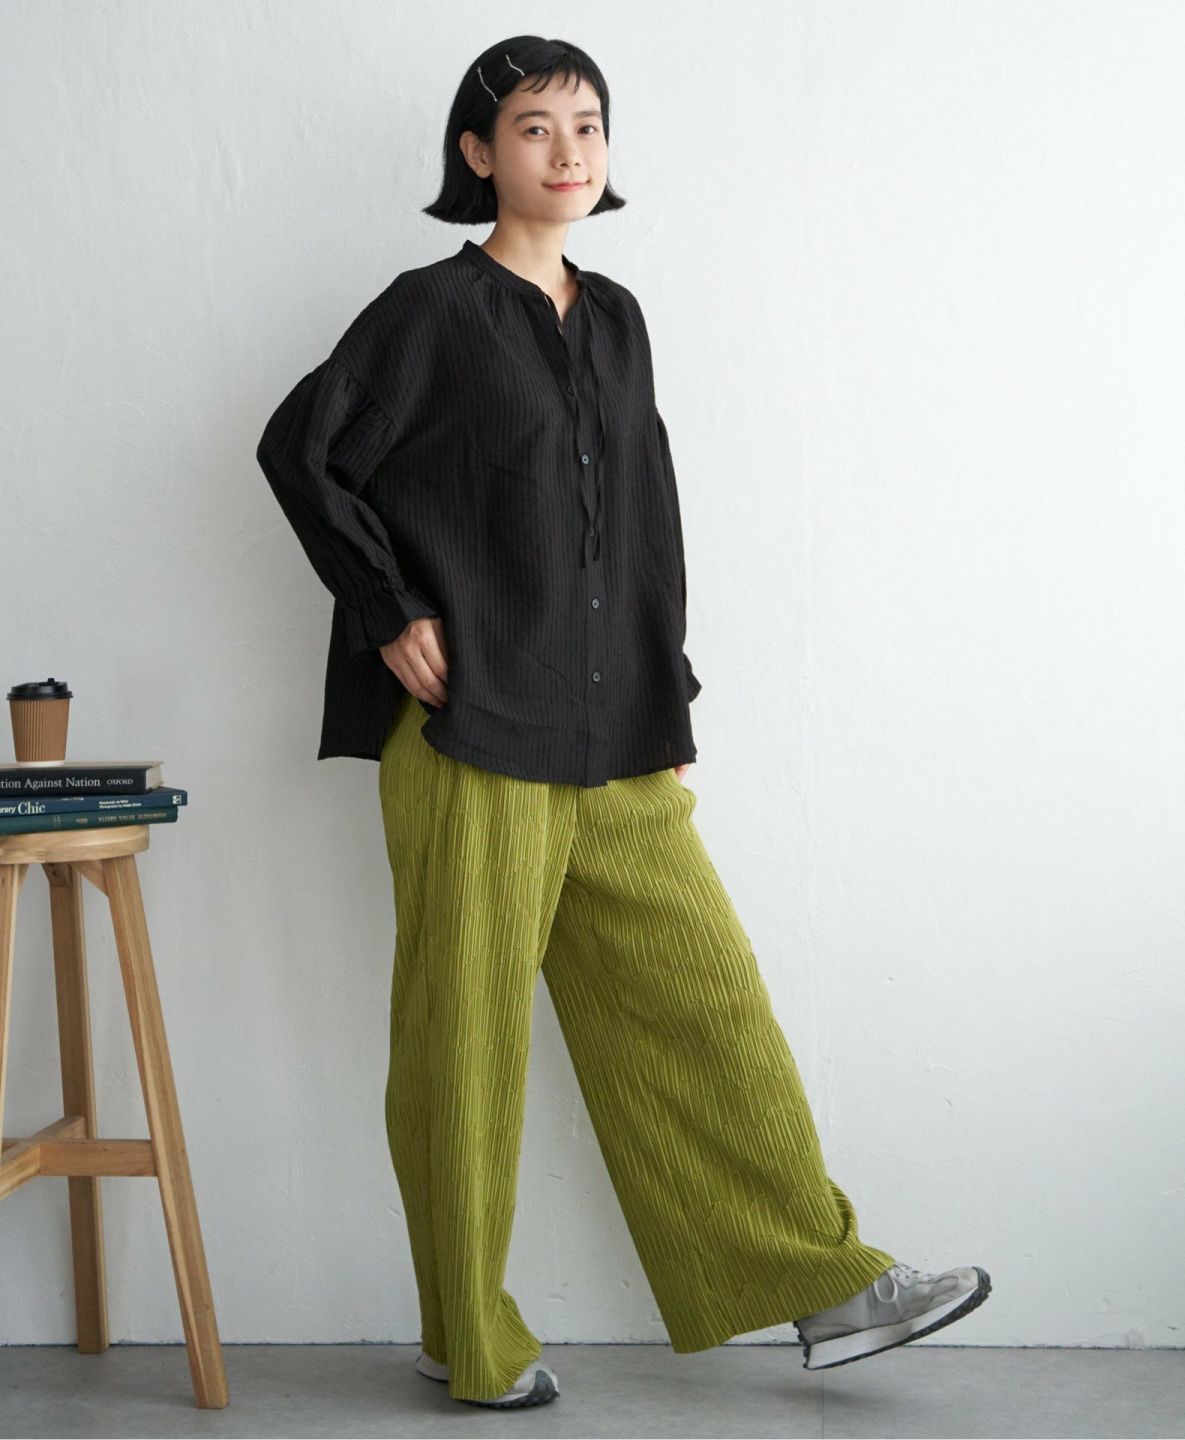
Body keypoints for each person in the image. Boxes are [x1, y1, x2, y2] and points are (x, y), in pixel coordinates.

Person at [255, 35, 991, 1412]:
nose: (569, 151)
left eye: (588, 125)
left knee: (705, 1000)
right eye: (535, 127)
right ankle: (467, 1334)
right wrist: (388, 608)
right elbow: (299, 449)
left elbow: (645, 514)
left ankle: (824, 1281)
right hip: (472, 731)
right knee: (467, 1041)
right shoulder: (428, 310)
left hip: (613, 733)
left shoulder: (620, 316)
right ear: (478, 152)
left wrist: (667, 688)